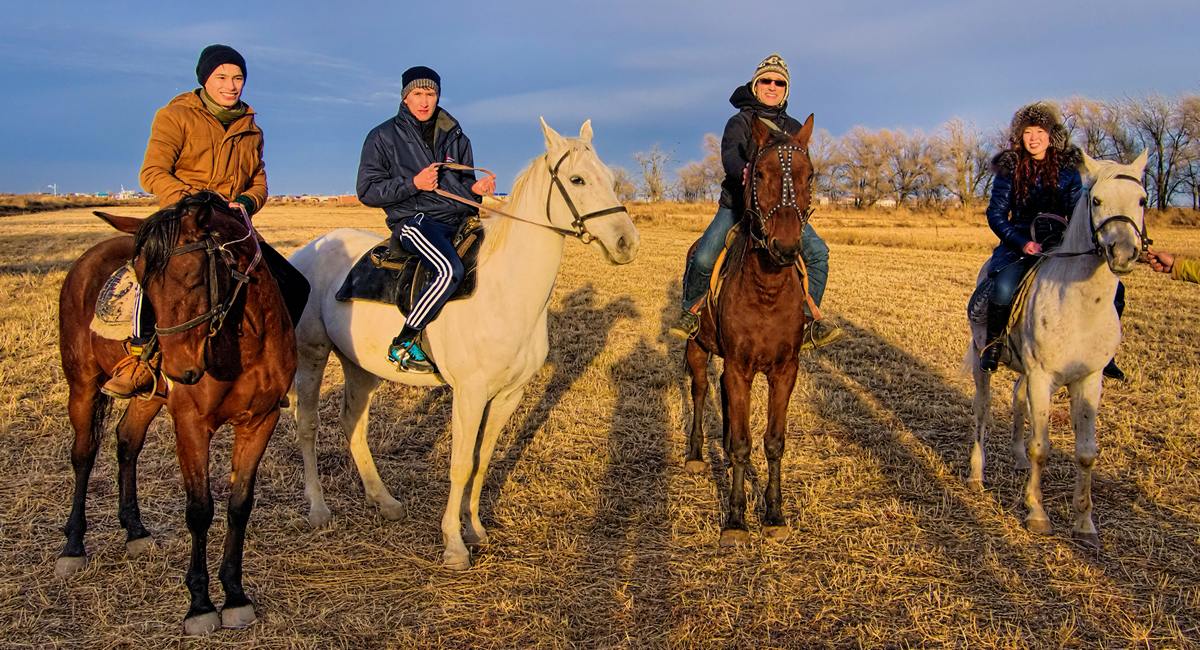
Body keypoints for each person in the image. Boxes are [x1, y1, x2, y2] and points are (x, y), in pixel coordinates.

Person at [103, 44, 309, 398]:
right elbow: (152, 172)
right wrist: (194, 199)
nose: (231, 86)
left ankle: (274, 366)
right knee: (152, 282)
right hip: (184, 222)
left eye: (238, 78)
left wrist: (246, 201)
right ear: (205, 80)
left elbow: (259, 180)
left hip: (233, 228)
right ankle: (142, 360)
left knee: (294, 285)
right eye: (222, 78)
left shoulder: (251, 128)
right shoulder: (175, 116)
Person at [669, 53, 842, 348]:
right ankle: (691, 313)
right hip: (737, 206)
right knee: (704, 256)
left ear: (785, 90)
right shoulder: (740, 122)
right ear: (755, 84)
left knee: (817, 253)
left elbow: (801, 170)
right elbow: (730, 157)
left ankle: (806, 319)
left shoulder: (794, 127)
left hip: (781, 212)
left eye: (779, 82)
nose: (772, 86)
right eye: (766, 81)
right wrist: (746, 171)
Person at [356, 66, 495, 373]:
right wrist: (413, 184)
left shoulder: (455, 135)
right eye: (417, 94)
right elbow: (366, 190)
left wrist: (476, 189)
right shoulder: (382, 137)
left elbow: (462, 186)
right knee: (448, 269)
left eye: (430, 94)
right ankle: (404, 341)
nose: (424, 101)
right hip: (414, 221)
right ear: (405, 98)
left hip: (457, 221)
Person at [979, 101, 1126, 379]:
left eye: (1039, 131)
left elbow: (1077, 211)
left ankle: (1105, 354)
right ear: (1019, 137)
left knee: (1116, 290)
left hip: (1061, 242)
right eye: (1027, 132)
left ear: (1051, 135)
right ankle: (993, 345)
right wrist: (1022, 242)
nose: (1033, 138)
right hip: (1021, 244)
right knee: (1003, 287)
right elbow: (996, 214)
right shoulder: (1009, 170)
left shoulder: (1069, 171)